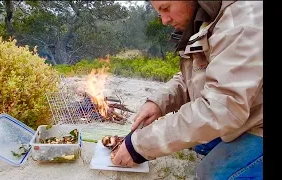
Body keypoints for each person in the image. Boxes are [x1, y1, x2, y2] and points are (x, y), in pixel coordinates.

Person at [112, 1, 263, 179]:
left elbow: (220, 109)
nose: (164, 21)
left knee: (210, 174)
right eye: (159, 12)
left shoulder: (240, 24)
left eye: (166, 9)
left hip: (256, 122)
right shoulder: (206, 18)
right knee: (201, 143)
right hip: (247, 110)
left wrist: (138, 146)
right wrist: (158, 103)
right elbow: (197, 75)